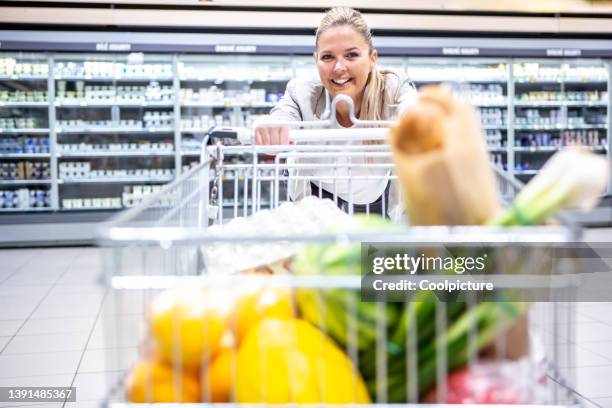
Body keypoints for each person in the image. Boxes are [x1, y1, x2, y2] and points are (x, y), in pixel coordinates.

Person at [254, 6, 417, 217]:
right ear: (316, 60)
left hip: (370, 198)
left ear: (372, 59)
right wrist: (272, 128)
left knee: (368, 249)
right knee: (318, 249)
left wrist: (419, 119)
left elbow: (411, 108)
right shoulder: (302, 91)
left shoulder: (393, 86)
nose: (339, 67)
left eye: (351, 55)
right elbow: (282, 117)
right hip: (314, 194)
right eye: (328, 57)